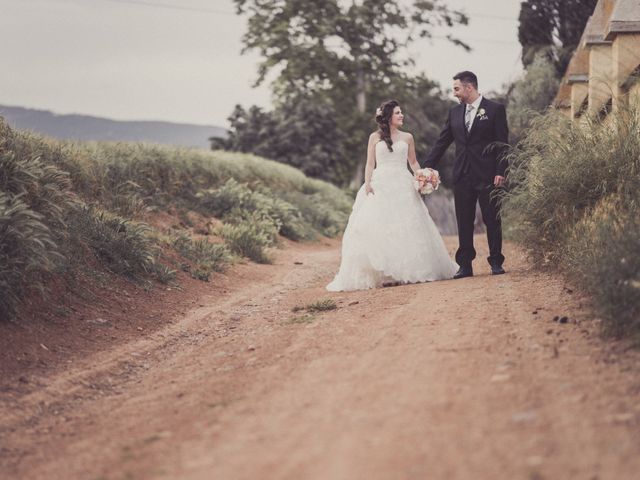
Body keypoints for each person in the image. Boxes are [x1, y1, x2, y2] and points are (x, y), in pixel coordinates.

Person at [326, 100, 457, 292]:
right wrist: (368, 183)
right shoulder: (374, 137)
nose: (402, 115)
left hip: (403, 185)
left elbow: (413, 163)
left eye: (401, 112)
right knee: (381, 226)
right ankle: (384, 273)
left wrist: (423, 178)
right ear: (388, 117)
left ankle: (406, 271)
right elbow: (370, 164)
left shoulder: (408, 137)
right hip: (381, 184)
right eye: (398, 113)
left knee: (407, 226)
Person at [423, 71, 509, 279]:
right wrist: (426, 168)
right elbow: (442, 142)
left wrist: (501, 171)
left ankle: (496, 261)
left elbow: (502, 144)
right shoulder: (453, 113)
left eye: (456, 89)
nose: (454, 93)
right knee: (464, 220)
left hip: (488, 174)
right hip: (462, 174)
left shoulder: (495, 110)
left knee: (492, 219)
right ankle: (465, 266)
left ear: (469, 87)